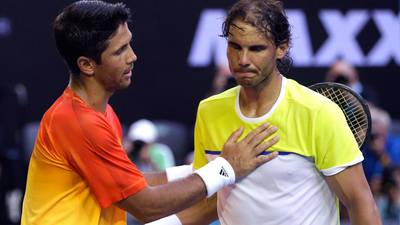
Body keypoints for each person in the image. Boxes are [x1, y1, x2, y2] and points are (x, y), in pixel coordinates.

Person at [20, 1, 280, 225]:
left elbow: (133, 183)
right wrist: (225, 168)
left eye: (129, 45)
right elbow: (146, 206)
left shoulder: (101, 113)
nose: (132, 56)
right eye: (120, 50)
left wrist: (198, 169)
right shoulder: (79, 122)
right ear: (87, 65)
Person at [153, 0, 382, 224]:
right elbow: (209, 201)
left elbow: (361, 203)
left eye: (256, 48)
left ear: (282, 48)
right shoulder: (208, 110)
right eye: (235, 47)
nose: (243, 59)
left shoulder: (318, 112)